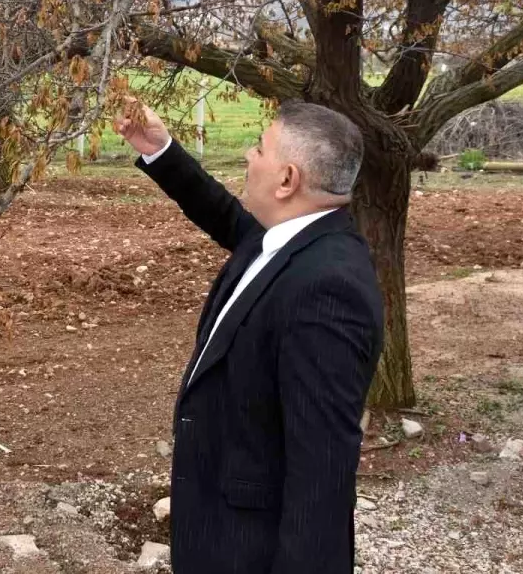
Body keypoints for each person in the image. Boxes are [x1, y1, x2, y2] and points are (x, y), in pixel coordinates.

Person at [114, 98, 383, 573]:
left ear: (288, 179)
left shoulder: (328, 289)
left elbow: (322, 475)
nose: (247, 156)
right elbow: (228, 218)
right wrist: (161, 150)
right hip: (220, 536)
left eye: (259, 148)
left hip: (248, 552)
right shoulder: (292, 237)